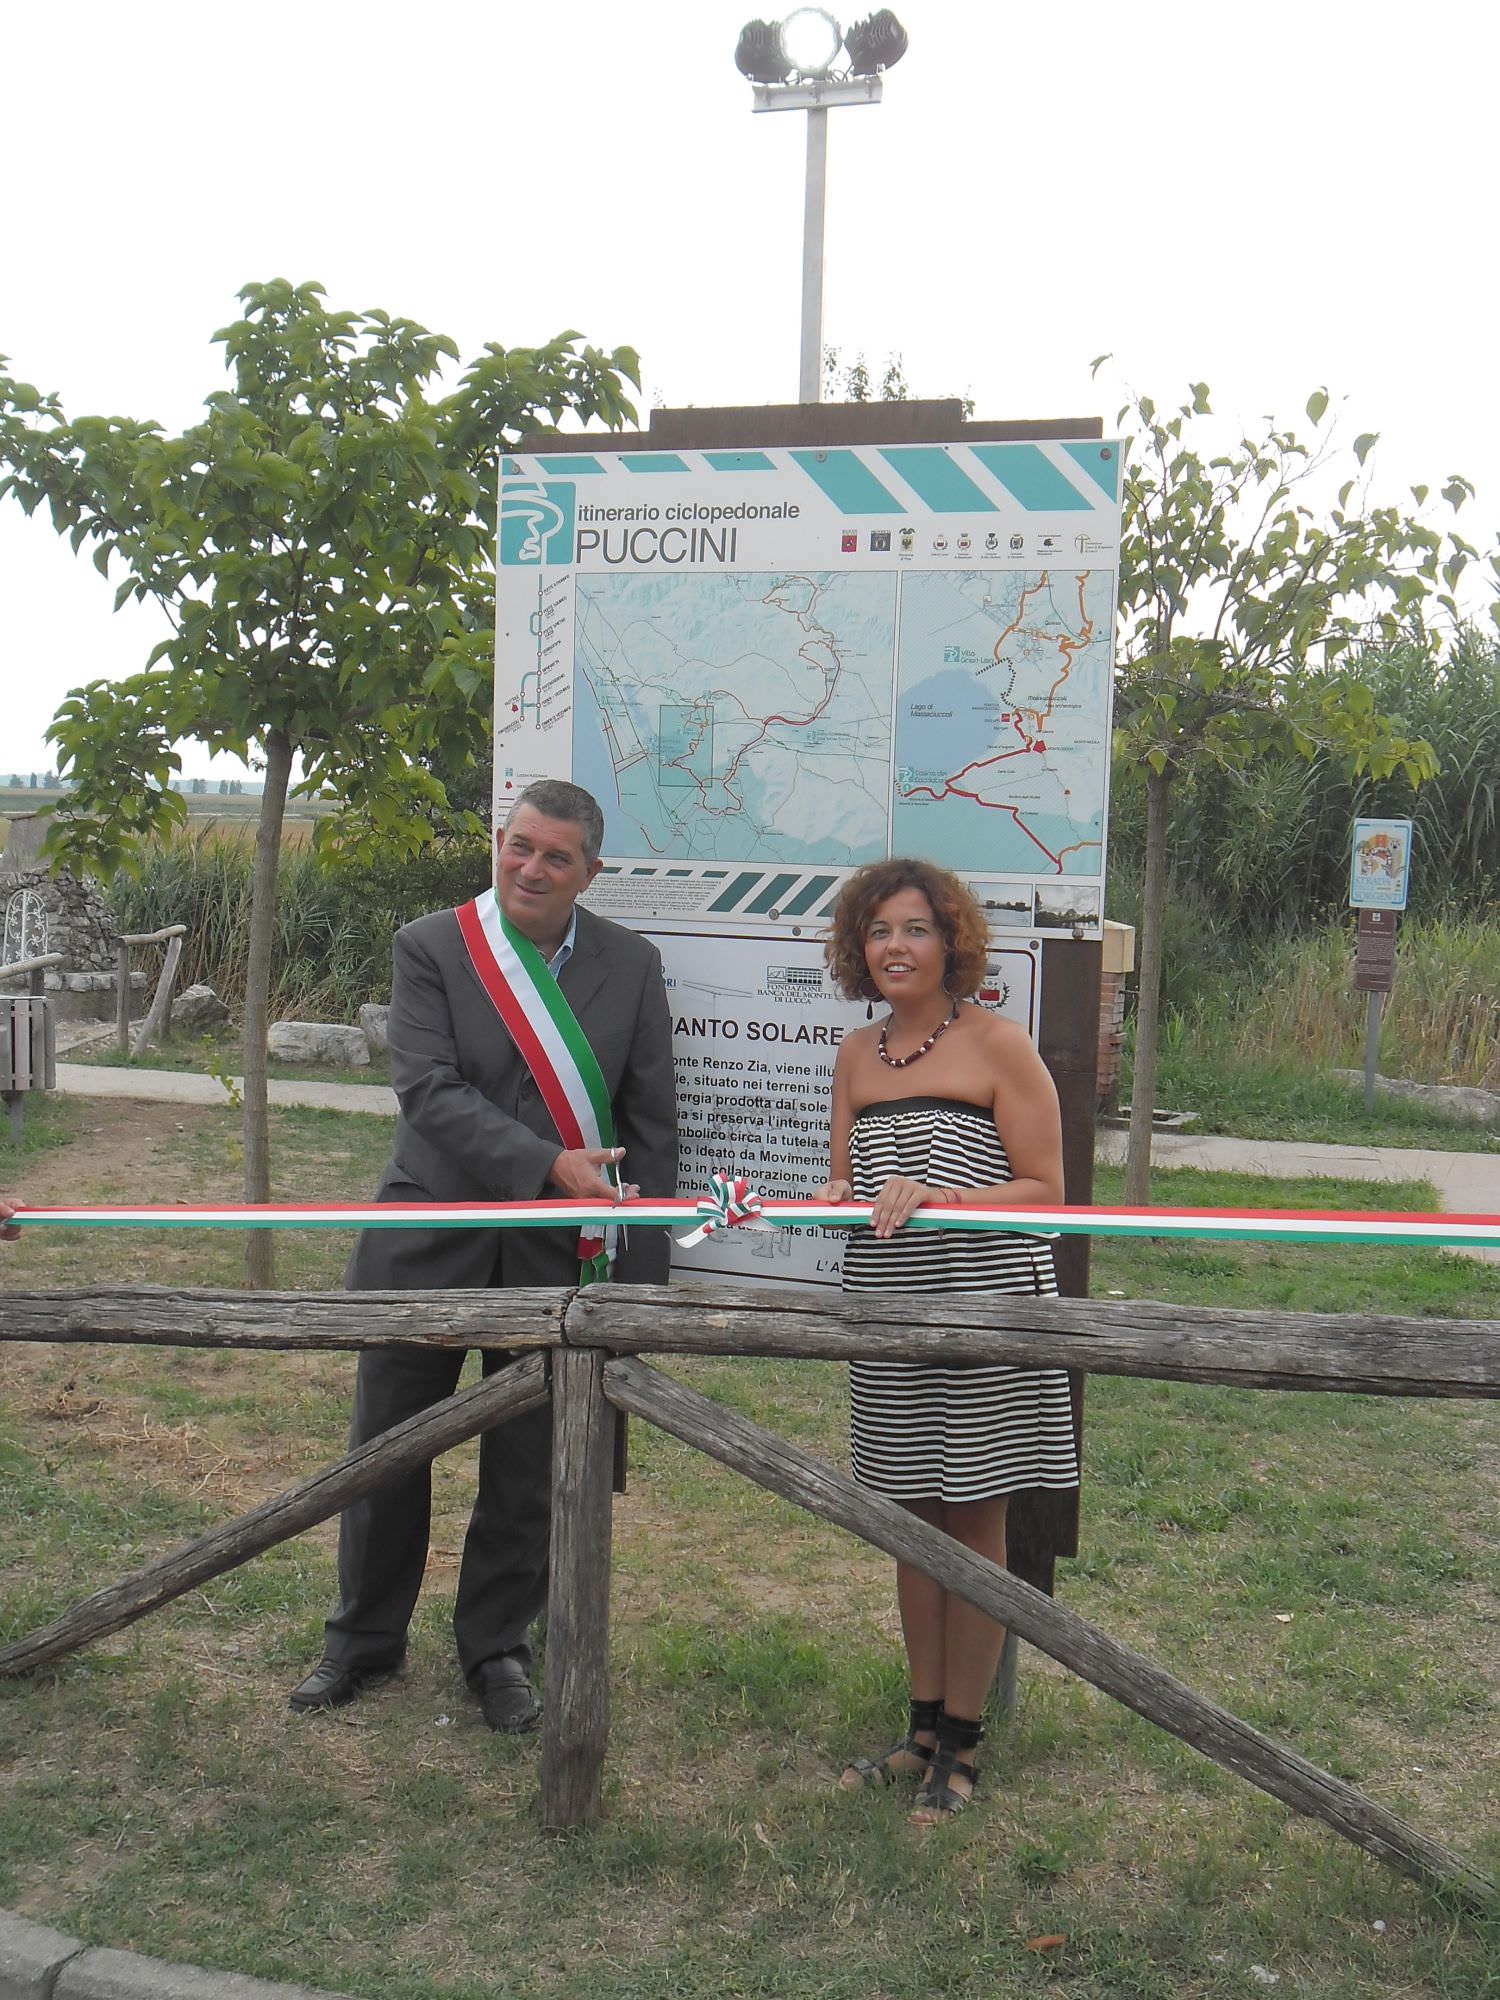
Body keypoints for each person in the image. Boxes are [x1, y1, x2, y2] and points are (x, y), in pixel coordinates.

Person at [290, 780, 677, 1731]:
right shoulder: (430, 946)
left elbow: (649, 1121)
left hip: (559, 1258)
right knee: (387, 1453)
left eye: (555, 856)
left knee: (528, 1464)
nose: (529, 868)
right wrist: (547, 1161)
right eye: (517, 846)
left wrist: (642, 1280)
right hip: (428, 1241)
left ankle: (497, 1647)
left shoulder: (632, 966)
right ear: (498, 844)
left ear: (592, 871)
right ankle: (361, 1642)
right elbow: (428, 1091)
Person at [816, 858, 1078, 1822]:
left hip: (983, 1311)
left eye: (916, 929)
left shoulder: (1002, 1046)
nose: (896, 946)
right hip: (886, 1316)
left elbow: (1047, 1194)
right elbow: (848, 1186)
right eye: (880, 929)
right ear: (859, 946)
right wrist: (832, 1202)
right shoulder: (854, 1055)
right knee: (909, 1523)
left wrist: (943, 1199)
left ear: (951, 942)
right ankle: (920, 1728)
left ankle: (962, 1748)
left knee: (973, 1525)